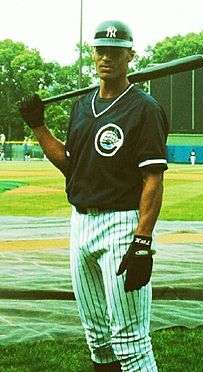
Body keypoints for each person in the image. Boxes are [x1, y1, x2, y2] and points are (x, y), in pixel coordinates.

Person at [19, 20, 169, 372]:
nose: (107, 58)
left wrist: (142, 240)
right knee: (98, 339)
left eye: (115, 52)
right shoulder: (81, 107)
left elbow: (153, 180)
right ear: (93, 54)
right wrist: (38, 126)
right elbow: (71, 166)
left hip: (122, 223)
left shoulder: (144, 109)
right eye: (101, 50)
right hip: (81, 223)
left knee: (131, 341)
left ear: (130, 56)